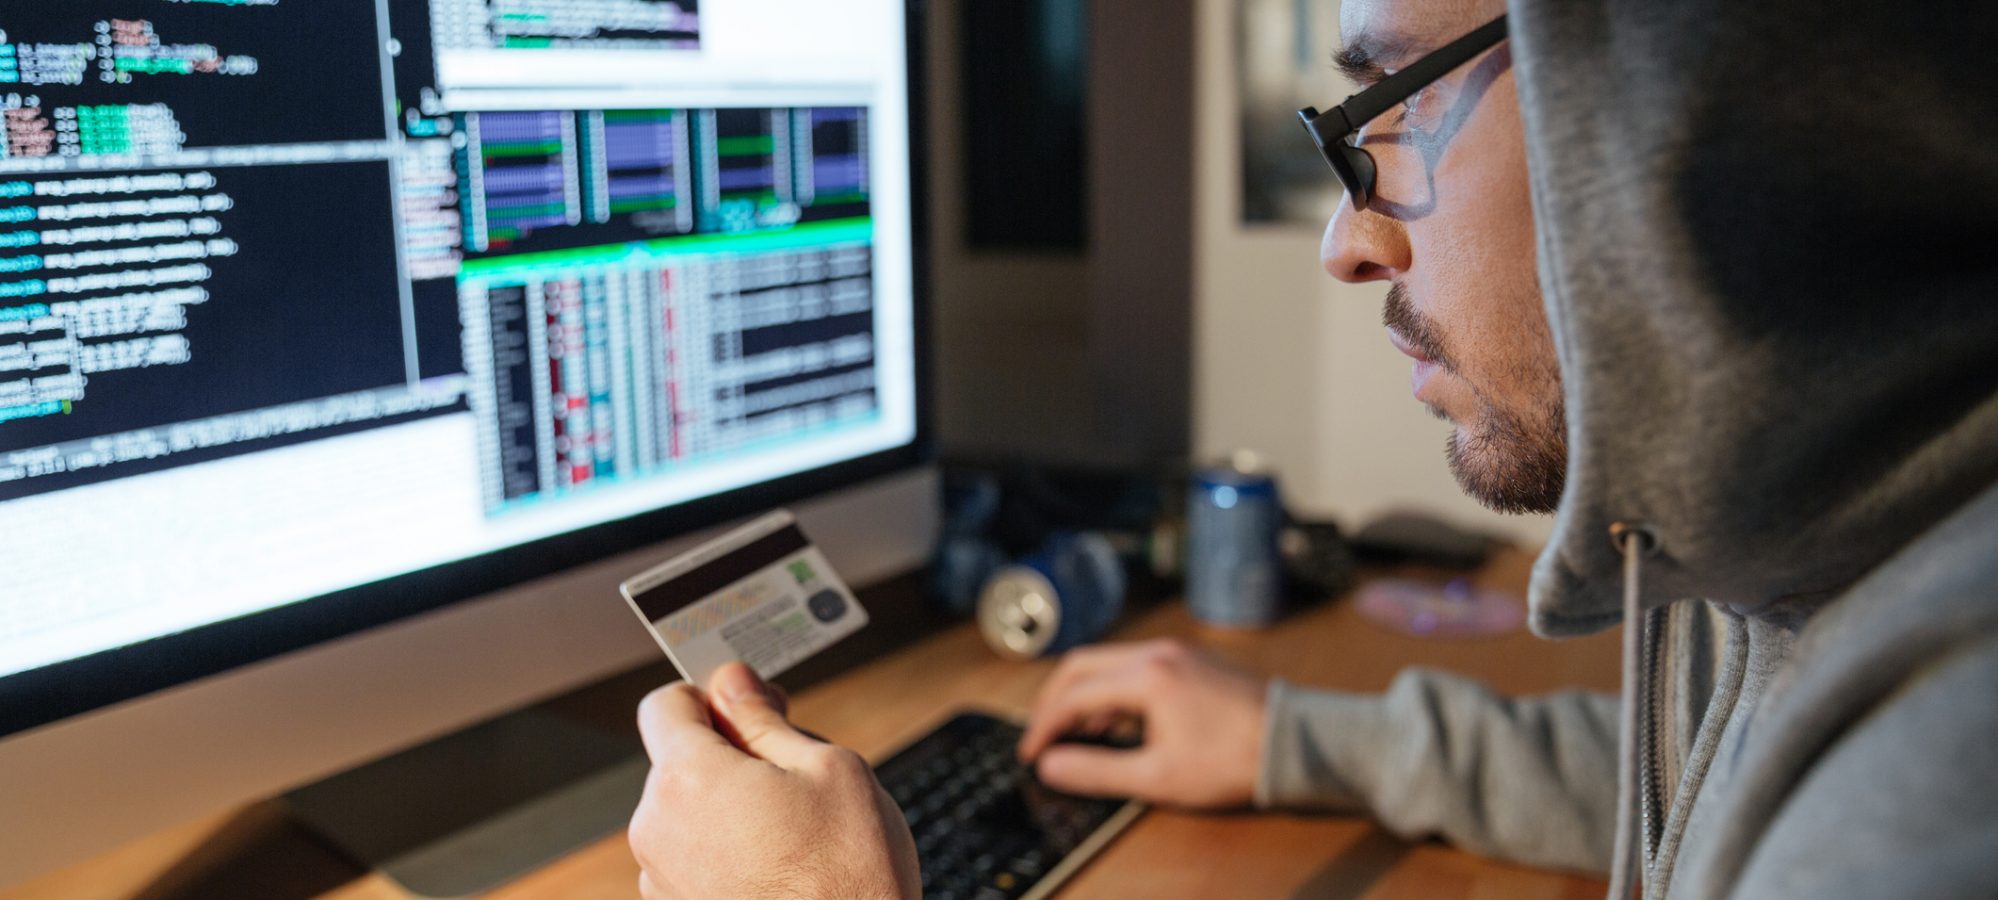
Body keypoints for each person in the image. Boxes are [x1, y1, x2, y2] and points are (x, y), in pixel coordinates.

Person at [626, 0, 1998, 897]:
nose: (1349, 243)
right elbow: (1698, 787)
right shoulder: (1794, 547)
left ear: (1699, 88)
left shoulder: (1943, 781)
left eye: (1395, 102)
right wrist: (1294, 737)